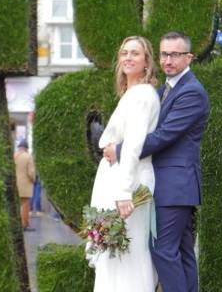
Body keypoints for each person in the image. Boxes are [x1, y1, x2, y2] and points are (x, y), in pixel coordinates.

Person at [105, 31, 210, 292]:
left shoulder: (192, 92)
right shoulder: (163, 90)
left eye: (175, 54)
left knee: (162, 250)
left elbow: (164, 136)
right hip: (173, 186)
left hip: (175, 186)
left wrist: (120, 149)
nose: (168, 60)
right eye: (164, 54)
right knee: (182, 252)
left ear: (189, 58)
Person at [89, 36, 161, 292]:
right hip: (122, 181)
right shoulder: (132, 94)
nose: (128, 57)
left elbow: (133, 144)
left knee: (126, 257)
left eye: (135, 53)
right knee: (116, 255)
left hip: (129, 185)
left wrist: (123, 193)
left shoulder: (141, 94)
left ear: (147, 62)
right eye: (124, 53)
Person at [14, 139, 36, 231]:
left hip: (14, 184)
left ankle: (15, 225)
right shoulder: (28, 157)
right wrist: (34, 179)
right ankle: (25, 224)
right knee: (25, 205)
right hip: (25, 185)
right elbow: (31, 173)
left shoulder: (14, 155)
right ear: (26, 148)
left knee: (16, 205)